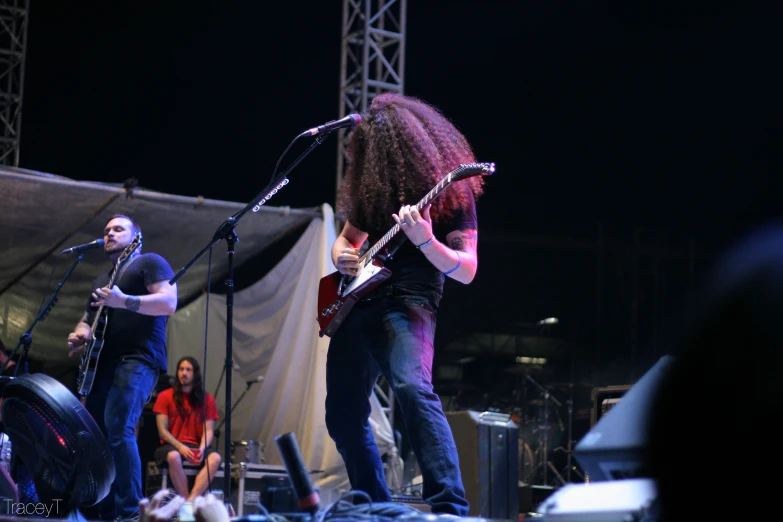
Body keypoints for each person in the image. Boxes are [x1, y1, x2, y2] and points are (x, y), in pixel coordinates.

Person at [325, 93, 485, 516]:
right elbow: (347, 240)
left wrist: (426, 241)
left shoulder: (452, 192)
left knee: (413, 388)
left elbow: (466, 270)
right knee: (342, 414)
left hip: (409, 301)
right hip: (358, 303)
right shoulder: (371, 192)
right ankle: (375, 505)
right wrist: (340, 254)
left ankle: (448, 503)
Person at [67, 214, 177, 522]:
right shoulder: (101, 282)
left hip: (139, 358)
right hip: (103, 365)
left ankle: (131, 511)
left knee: (119, 428)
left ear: (136, 237)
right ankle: (105, 510)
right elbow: (88, 320)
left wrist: (123, 300)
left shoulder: (150, 263)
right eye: (106, 231)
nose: (109, 234)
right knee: (97, 435)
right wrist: (80, 334)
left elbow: (168, 302)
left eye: (118, 229)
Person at [152, 356, 221, 501]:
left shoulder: (207, 399)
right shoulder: (165, 396)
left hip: (196, 445)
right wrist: (180, 446)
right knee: (173, 456)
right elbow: (162, 431)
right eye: (181, 369)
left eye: (188, 370)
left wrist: (202, 448)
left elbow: (208, 430)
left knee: (215, 458)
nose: (184, 373)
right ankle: (185, 501)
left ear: (195, 373)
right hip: (173, 445)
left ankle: (190, 502)